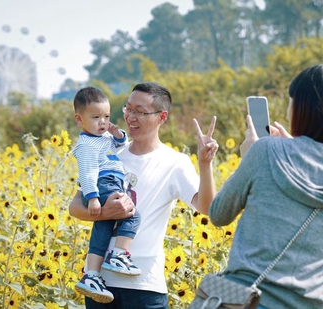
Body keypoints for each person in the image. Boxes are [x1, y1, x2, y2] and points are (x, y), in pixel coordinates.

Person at [208, 64, 323, 309]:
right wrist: (298, 151)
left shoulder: (264, 151)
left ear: (300, 109)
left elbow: (218, 214)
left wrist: (253, 156)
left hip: (243, 300)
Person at [69, 82, 218, 309]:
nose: (131, 117)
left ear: (162, 117)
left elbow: (206, 207)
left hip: (144, 286)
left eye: (140, 111)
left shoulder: (174, 162)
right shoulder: (109, 151)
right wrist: (105, 212)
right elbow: (75, 207)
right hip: (99, 285)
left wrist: (205, 164)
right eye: (128, 109)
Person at [71, 86, 143, 303]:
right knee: (132, 214)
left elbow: (121, 143)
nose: (102, 122)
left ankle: (91, 275)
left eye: (106, 116)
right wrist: (92, 197)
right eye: (95, 117)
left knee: (103, 227)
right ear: (79, 119)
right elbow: (86, 171)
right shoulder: (86, 145)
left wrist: (116, 132)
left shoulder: (102, 138)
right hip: (103, 185)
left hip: (107, 184)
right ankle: (119, 255)